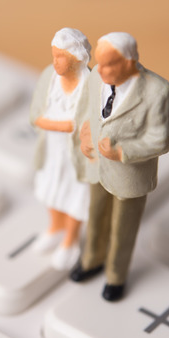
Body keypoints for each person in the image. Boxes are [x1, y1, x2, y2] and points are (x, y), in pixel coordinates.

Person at [72, 32, 169, 301]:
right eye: (99, 62)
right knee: (95, 215)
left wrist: (122, 152)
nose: (100, 70)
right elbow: (87, 110)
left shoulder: (158, 91)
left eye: (109, 65)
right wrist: (85, 132)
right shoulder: (96, 77)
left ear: (129, 62)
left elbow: (161, 139)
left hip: (130, 176)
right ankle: (92, 260)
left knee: (123, 229)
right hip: (98, 166)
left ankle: (115, 276)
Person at [29, 28, 96, 270]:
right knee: (51, 188)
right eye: (53, 55)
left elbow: (89, 124)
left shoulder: (91, 85)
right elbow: (35, 115)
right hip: (51, 148)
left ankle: (71, 239)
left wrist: (61, 125)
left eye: (60, 57)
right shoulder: (49, 76)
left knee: (75, 195)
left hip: (77, 155)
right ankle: (55, 227)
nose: (55, 61)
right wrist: (63, 125)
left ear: (76, 58)